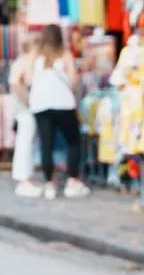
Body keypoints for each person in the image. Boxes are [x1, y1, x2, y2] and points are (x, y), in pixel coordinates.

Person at [30, 24, 90, 200]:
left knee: (46, 144)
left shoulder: (37, 57)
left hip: (41, 105)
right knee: (73, 141)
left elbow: (28, 77)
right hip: (63, 104)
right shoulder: (65, 54)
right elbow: (73, 80)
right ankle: (72, 181)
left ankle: (50, 184)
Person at [9, 32, 42, 198]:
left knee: (29, 142)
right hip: (25, 110)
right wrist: (28, 102)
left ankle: (27, 177)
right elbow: (15, 83)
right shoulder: (24, 62)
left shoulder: (28, 62)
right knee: (25, 142)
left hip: (27, 109)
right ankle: (23, 178)